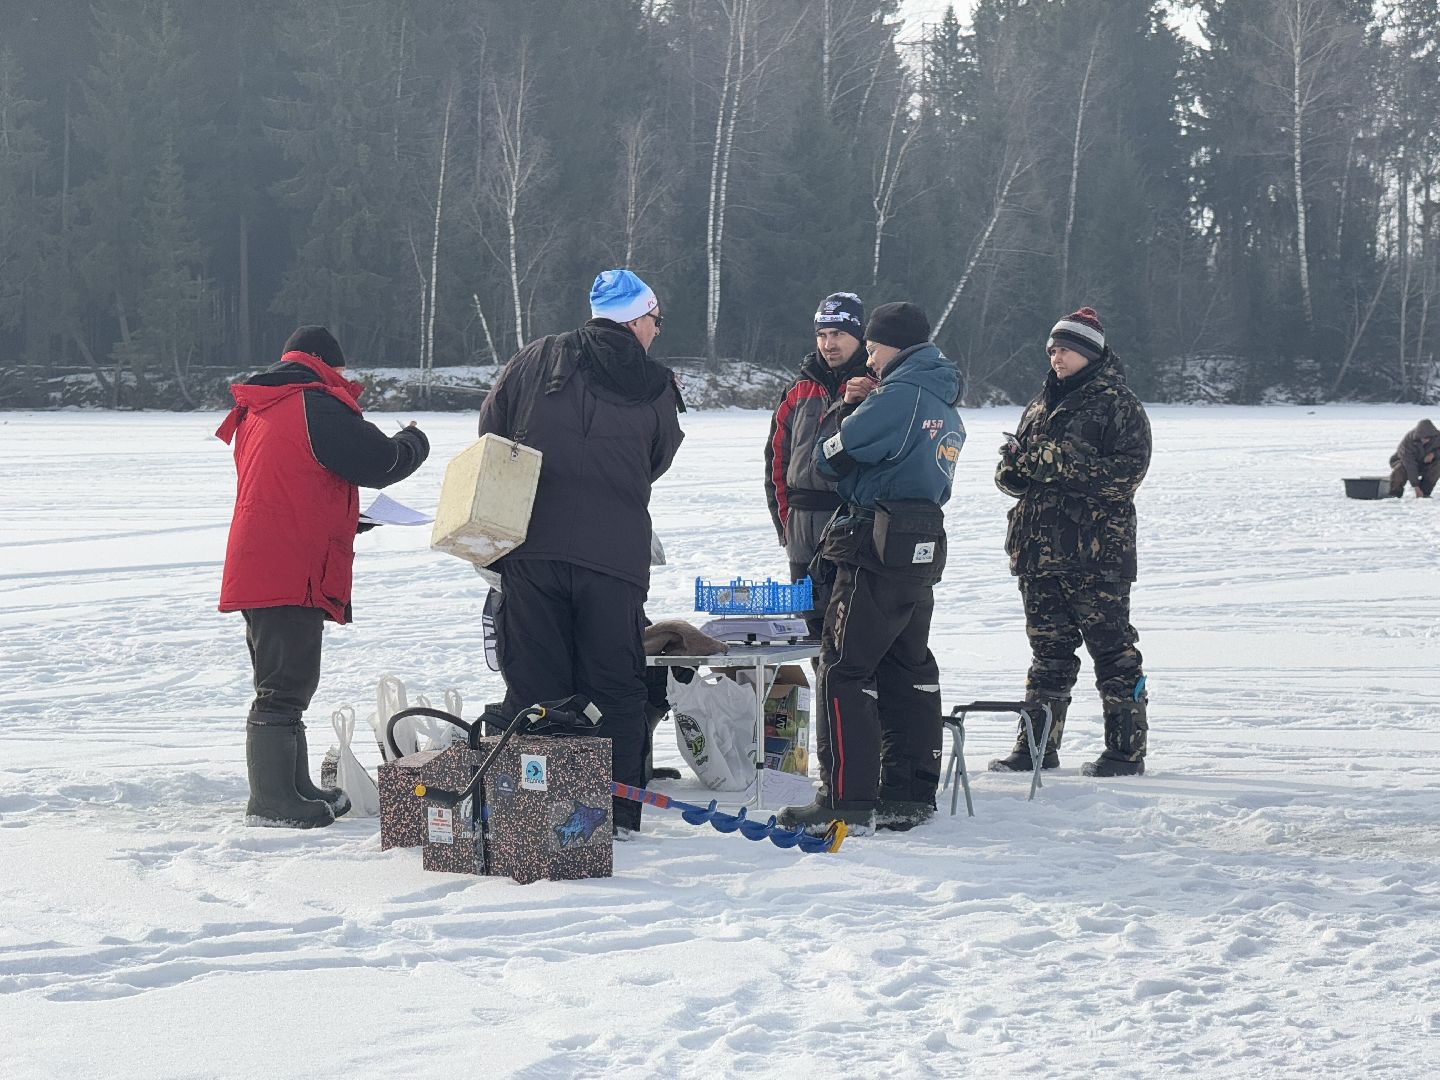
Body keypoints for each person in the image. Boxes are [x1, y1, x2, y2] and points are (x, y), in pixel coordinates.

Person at [477, 269, 685, 835]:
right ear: (638, 319)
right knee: (615, 683)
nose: (656, 333)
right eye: (655, 322)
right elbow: (659, 456)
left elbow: (492, 432)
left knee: (536, 681)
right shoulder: (657, 382)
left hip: (532, 548)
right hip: (613, 555)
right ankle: (613, 811)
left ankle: (536, 806)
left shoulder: (537, 358)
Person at [217, 326, 430, 828]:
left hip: (265, 559)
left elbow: (292, 484)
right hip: (287, 565)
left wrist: (343, 518)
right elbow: (381, 462)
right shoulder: (313, 402)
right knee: (284, 686)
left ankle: (293, 788)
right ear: (324, 361)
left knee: (285, 681)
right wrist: (414, 441)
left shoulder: (263, 406)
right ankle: (271, 801)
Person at [777, 302, 964, 835]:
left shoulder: (898, 395)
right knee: (909, 665)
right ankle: (909, 790)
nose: (871, 358)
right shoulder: (943, 395)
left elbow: (829, 457)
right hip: (921, 538)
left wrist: (844, 412)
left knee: (844, 667)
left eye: (876, 347)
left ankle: (846, 796)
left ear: (895, 345)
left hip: (871, 539)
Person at [991, 306, 1151, 778]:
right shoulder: (1040, 404)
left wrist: (1061, 463)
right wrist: (1014, 469)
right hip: (1038, 553)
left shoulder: (1118, 405)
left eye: (1064, 349)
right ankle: (1037, 749)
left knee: (1114, 652)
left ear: (1088, 353)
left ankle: (1125, 752)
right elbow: (1018, 478)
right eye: (1052, 349)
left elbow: (1126, 476)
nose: (1056, 357)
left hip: (1096, 555)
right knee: (1048, 655)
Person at [764, 292, 871, 638]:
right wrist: (785, 523)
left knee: (850, 636)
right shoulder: (799, 389)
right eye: (822, 335)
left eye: (838, 334)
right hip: (800, 528)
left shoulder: (874, 386)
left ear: (860, 337)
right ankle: (824, 694)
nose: (829, 344)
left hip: (847, 526)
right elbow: (776, 462)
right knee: (811, 635)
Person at [1388, 419, 1440, 498]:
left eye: (1427, 438)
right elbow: (1409, 464)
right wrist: (1416, 486)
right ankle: (1394, 494)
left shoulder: (1438, 437)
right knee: (1400, 470)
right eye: (1422, 438)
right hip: (1405, 462)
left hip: (1426, 464)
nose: (1425, 440)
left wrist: (1434, 454)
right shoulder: (1408, 441)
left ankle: (1425, 492)